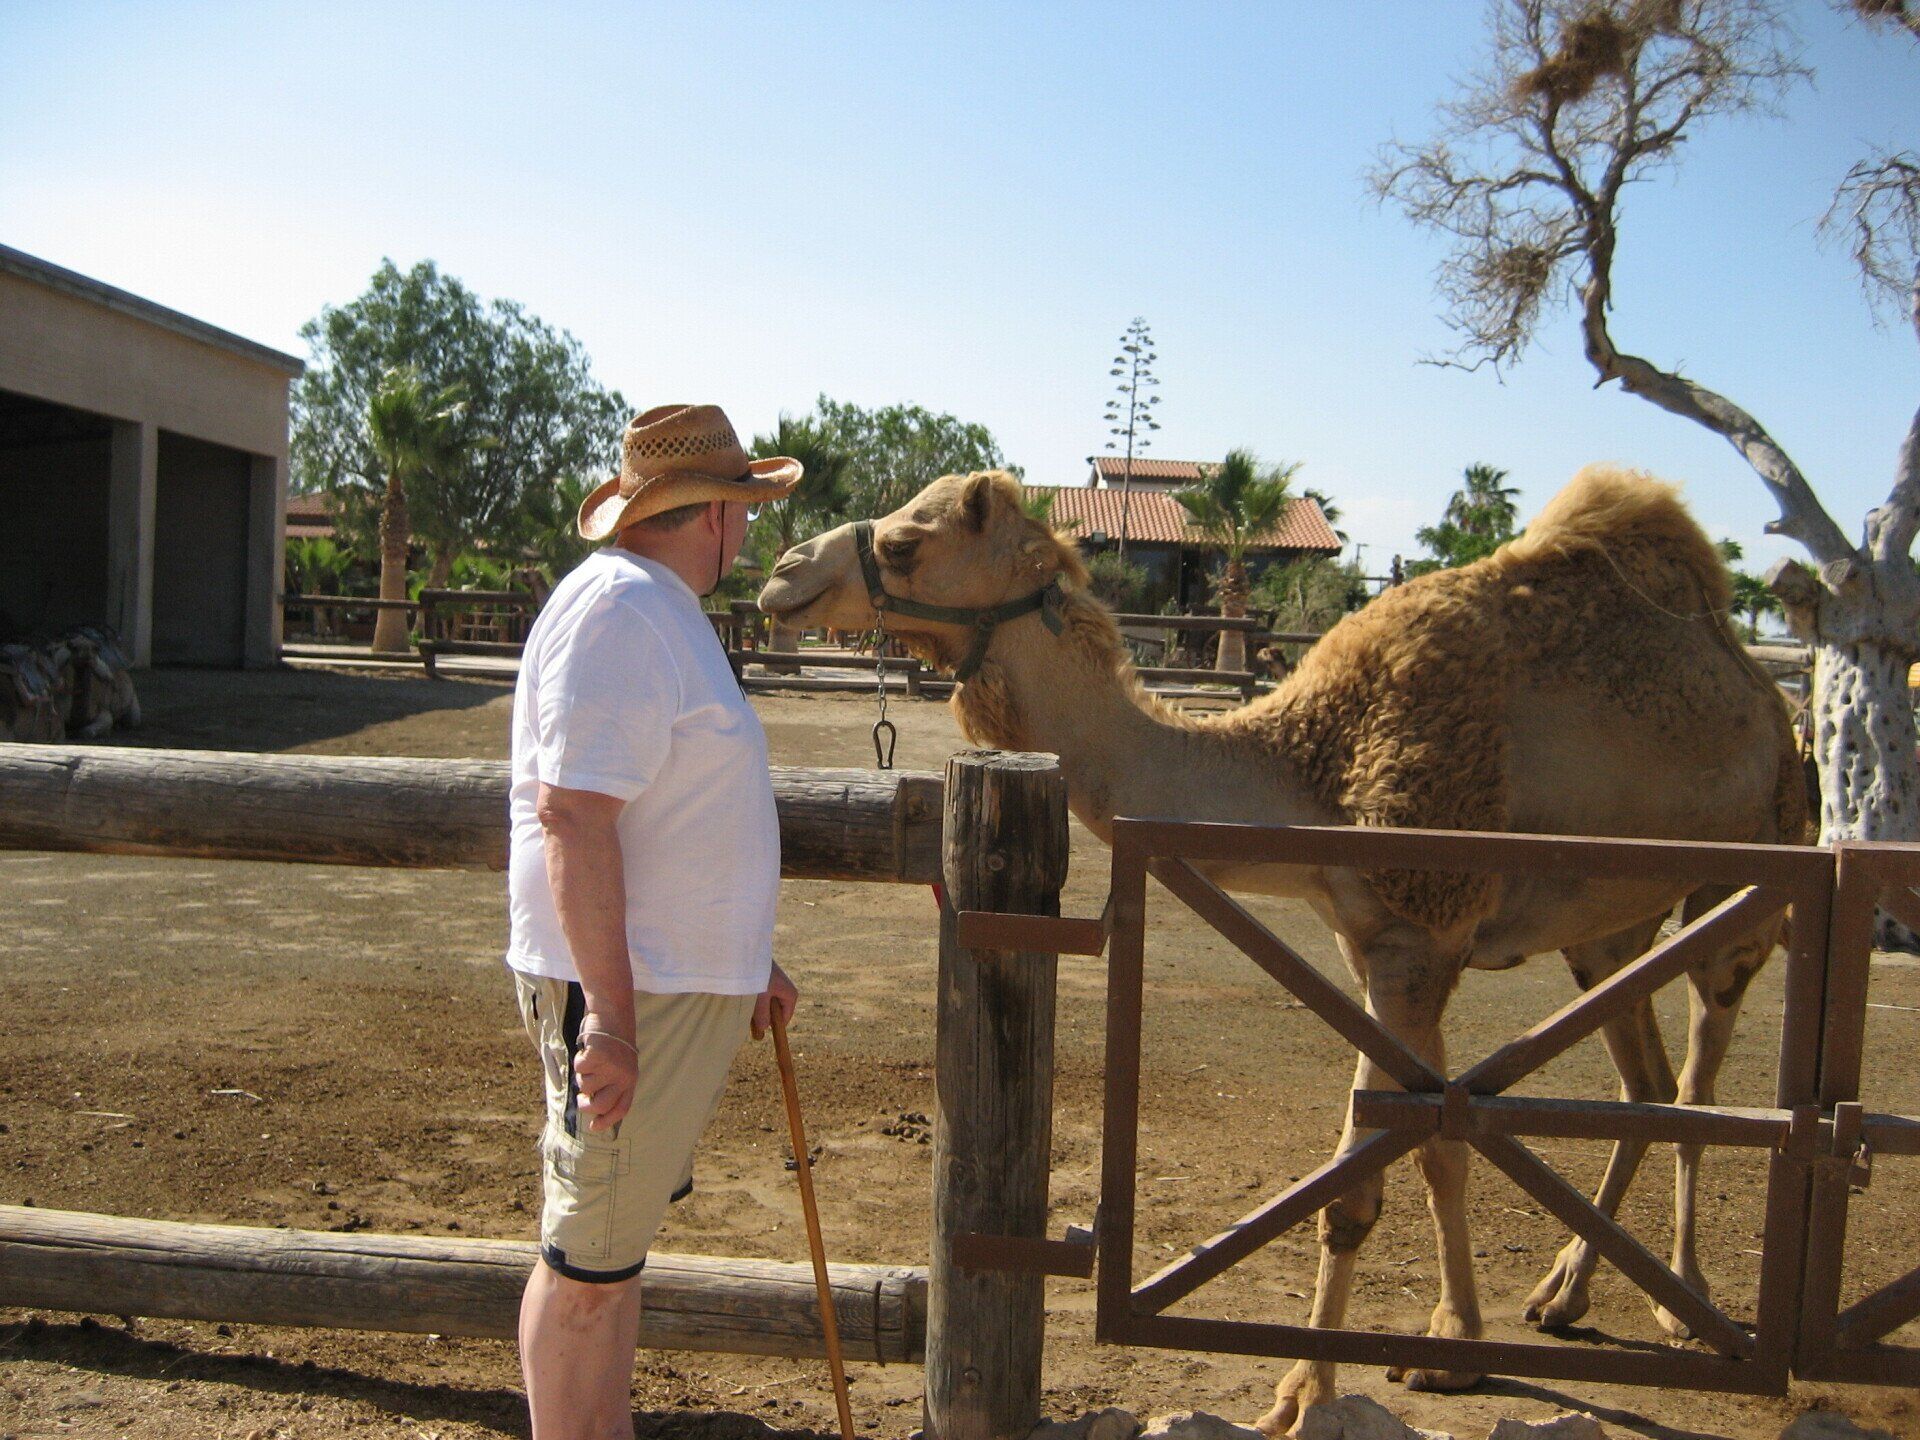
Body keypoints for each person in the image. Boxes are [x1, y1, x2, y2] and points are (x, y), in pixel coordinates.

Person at [504, 403, 804, 1439]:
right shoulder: (624, 612)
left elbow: (667, 813)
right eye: (745, 512)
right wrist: (613, 1023)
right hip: (635, 996)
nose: (749, 533)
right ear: (716, 513)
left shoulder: (648, 607)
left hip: (672, 986)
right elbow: (573, 819)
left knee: (611, 1253)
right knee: (587, 1262)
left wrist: (741, 957)